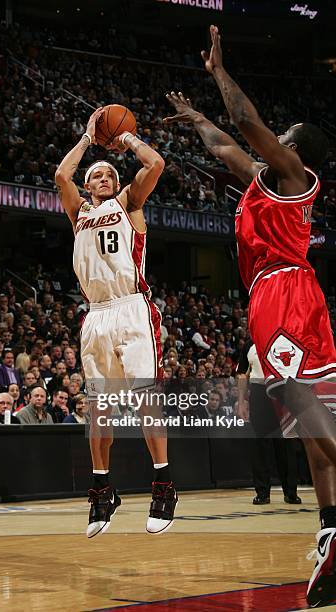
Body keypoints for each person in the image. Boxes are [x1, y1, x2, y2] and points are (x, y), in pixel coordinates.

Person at [164, 25, 335, 607]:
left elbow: (243, 124)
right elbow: (223, 145)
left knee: (307, 412)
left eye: (280, 138)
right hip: (286, 296)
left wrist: (217, 72)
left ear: (295, 151)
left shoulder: (294, 175)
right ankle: (330, 529)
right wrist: (193, 118)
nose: (271, 142)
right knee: (309, 427)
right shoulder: (265, 184)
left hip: (283, 294)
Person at [55, 107, 178, 538]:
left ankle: (163, 484)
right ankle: (102, 488)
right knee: (99, 410)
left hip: (131, 308)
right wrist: (89, 139)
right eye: (96, 176)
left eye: (109, 175)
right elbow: (60, 177)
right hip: (97, 316)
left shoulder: (130, 203)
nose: (103, 178)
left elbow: (156, 163)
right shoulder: (79, 215)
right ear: (88, 187)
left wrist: (124, 138)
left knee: (146, 397)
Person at [237, 339, 301, 505]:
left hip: (284, 391)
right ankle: (262, 492)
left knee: (286, 444)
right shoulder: (249, 344)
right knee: (260, 445)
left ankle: (291, 491)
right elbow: (242, 373)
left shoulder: (286, 340)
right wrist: (242, 401)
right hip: (258, 393)